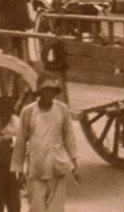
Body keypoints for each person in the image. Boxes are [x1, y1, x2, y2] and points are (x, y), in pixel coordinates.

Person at [11, 72, 78, 212]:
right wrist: (18, 169)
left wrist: (74, 164)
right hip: (37, 169)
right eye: (46, 91)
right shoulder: (28, 112)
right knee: (36, 208)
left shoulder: (62, 110)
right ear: (40, 92)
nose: (49, 95)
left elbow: (69, 137)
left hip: (57, 167)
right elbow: (21, 142)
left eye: (52, 91)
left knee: (56, 209)